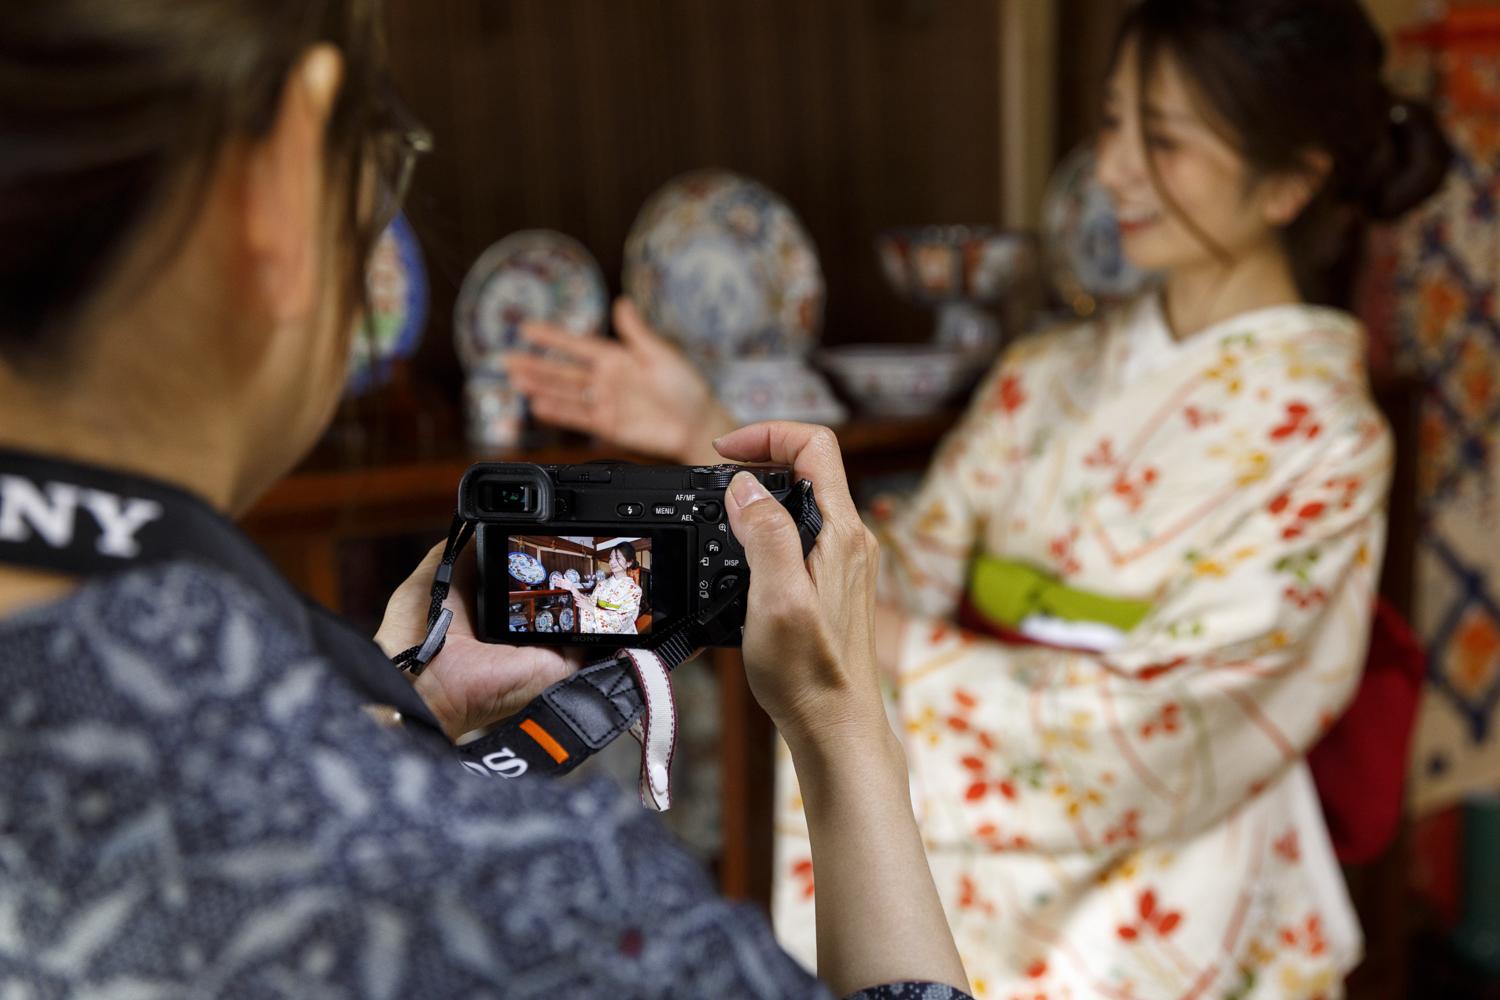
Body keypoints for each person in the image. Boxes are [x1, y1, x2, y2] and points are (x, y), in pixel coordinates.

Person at [0, 3, 972, 996]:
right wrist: (842, 721)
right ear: (278, 178)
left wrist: (395, 714)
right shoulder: (547, 906)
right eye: (381, 157)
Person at [512, 1, 1453, 994]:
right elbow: (892, 572)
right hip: (975, 848)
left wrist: (896, 643)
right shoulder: (1044, 373)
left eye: (1161, 139)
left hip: (1189, 888)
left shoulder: (1328, 438)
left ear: (1290, 183)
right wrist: (701, 421)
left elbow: (1175, 729)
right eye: (1113, 122)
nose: (1114, 170)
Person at [562, 541, 644, 634]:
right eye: (610, 558)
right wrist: (572, 588)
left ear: (629, 562)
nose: (612, 562)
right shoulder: (601, 584)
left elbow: (623, 619)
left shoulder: (635, 590)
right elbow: (590, 602)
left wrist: (591, 609)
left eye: (617, 558)